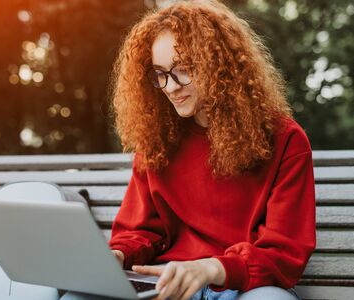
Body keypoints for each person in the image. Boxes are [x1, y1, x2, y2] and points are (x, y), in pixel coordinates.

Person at [107, 1, 316, 299]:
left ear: (219, 65)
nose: (171, 87)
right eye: (160, 74)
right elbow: (141, 230)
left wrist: (212, 268)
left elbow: (284, 252)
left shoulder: (285, 140)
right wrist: (118, 255)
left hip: (241, 287)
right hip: (168, 286)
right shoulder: (157, 138)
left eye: (184, 69)